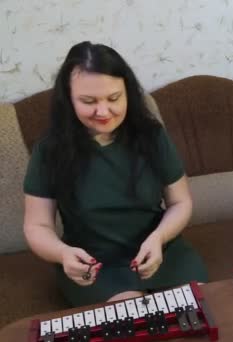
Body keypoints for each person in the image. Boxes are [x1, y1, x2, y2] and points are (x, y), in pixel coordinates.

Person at [23, 41, 207, 307]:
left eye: (113, 98)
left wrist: (159, 237)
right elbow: (36, 225)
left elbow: (180, 202)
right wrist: (63, 254)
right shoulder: (50, 150)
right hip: (96, 265)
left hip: (160, 251)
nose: (103, 111)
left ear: (127, 93)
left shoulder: (152, 135)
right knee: (133, 323)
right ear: (68, 98)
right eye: (88, 101)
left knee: (201, 313)